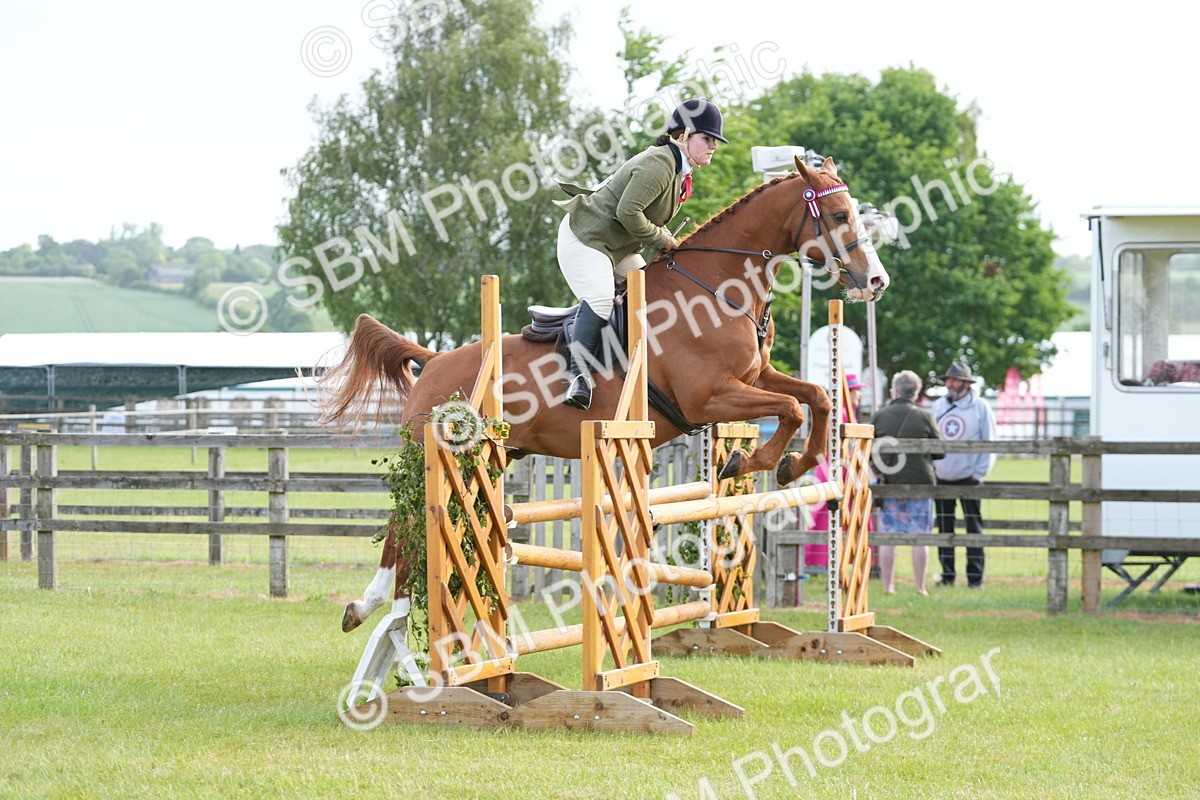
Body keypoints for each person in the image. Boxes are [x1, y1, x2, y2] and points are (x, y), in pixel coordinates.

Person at [554, 97, 727, 410]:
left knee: (653, 290)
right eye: (707, 138)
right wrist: (663, 240)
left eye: (714, 140)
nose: (714, 145)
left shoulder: (678, 169)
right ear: (684, 135)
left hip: (618, 246)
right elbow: (628, 213)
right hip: (586, 239)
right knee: (602, 299)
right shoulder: (659, 164)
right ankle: (576, 376)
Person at [870, 370, 943, 595]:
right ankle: (920, 587)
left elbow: (870, 450)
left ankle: (888, 586)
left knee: (888, 536)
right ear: (916, 392)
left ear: (895, 390)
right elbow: (939, 451)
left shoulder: (881, 415)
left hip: (891, 483)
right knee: (920, 536)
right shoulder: (924, 416)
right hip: (920, 483)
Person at [931, 361, 997, 588]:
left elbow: (989, 442)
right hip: (942, 476)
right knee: (944, 528)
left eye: (954, 380)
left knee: (973, 528)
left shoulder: (981, 407)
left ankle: (975, 578)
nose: (950, 384)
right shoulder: (939, 405)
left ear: (965, 383)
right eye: (948, 380)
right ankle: (947, 575)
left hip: (969, 477)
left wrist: (978, 474)